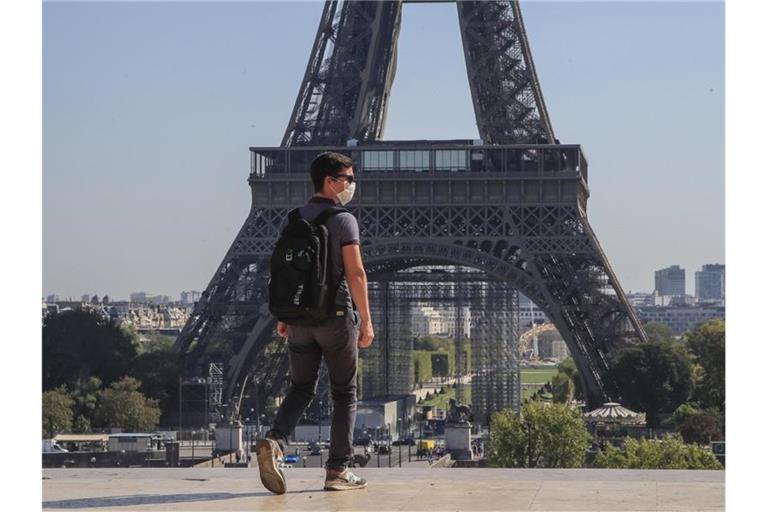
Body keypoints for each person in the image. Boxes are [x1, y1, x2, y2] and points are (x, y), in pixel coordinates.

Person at [256, 152, 374, 494]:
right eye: (348, 179)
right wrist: (366, 320)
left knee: (301, 387)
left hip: (298, 320)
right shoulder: (343, 220)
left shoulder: (294, 218)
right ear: (330, 180)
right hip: (334, 319)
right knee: (344, 393)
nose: (352, 185)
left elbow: (284, 273)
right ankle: (337, 470)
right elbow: (355, 273)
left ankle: (275, 440)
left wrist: (284, 316)